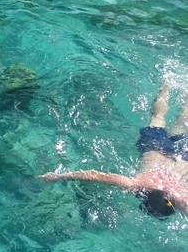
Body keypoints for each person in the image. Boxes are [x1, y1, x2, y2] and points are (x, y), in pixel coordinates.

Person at [39, 84, 188, 217]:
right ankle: (168, 87)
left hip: (175, 153)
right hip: (157, 148)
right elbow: (94, 175)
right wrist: (58, 176)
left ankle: (166, 86)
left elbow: (96, 175)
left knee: (167, 119)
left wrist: (59, 176)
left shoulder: (147, 187)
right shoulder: (144, 187)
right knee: (166, 119)